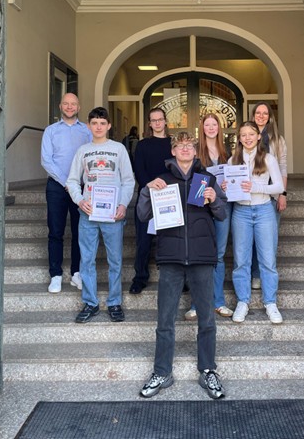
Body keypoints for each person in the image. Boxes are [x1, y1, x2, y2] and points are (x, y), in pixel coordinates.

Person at [137, 132, 227, 399]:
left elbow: (222, 214)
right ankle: (162, 372)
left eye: (189, 145)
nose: (185, 149)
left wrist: (215, 199)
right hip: (171, 257)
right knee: (165, 320)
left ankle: (208, 370)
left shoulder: (207, 180)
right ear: (173, 151)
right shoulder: (161, 180)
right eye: (180, 146)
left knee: (207, 319)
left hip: (202, 257)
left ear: (195, 151)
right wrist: (146, 191)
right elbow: (142, 215)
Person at [66, 107, 135, 323]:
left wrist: (123, 205)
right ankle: (90, 302)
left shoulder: (118, 149)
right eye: (94, 123)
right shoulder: (83, 151)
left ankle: (114, 302)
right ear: (89, 126)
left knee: (115, 260)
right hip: (88, 213)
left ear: (109, 126)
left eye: (102, 123)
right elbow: (72, 180)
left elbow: (128, 180)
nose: (98, 127)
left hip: (113, 214)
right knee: (87, 260)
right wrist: (80, 200)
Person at [224, 121, 284, 324]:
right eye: (243, 135)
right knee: (241, 260)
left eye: (251, 134)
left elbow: (278, 187)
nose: (248, 138)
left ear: (259, 136)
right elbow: (229, 189)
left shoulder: (268, 158)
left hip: (264, 210)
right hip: (241, 212)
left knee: (267, 259)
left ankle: (270, 303)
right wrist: (225, 187)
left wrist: (256, 187)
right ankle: (243, 301)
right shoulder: (233, 160)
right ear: (239, 139)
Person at [41, 92, 92, 294]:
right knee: (55, 231)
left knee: (80, 231)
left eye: (73, 104)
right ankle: (55, 275)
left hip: (81, 187)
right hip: (57, 187)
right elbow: (46, 160)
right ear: (60, 106)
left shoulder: (87, 131)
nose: (69, 107)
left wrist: (77, 184)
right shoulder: (51, 131)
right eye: (66, 104)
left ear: (79, 107)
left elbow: (91, 157)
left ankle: (76, 273)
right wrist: (66, 183)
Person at [185, 113, 233, 321]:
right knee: (201, 254)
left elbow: (234, 178)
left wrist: (227, 185)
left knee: (219, 255)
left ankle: (219, 302)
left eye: (214, 124)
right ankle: (197, 304)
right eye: (207, 124)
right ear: (202, 128)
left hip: (222, 205)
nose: (211, 128)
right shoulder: (196, 152)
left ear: (219, 128)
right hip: (201, 208)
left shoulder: (228, 152)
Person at [129, 108, 173, 294]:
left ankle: (177, 279)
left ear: (165, 121)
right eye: (153, 120)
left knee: (171, 240)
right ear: (149, 123)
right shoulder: (143, 145)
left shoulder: (173, 144)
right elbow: (139, 169)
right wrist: (150, 183)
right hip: (147, 197)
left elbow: (178, 168)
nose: (157, 123)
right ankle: (140, 278)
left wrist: (166, 185)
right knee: (143, 241)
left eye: (160, 119)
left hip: (169, 196)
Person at [250, 102, 288, 291]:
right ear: (253, 115)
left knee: (269, 240)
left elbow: (283, 168)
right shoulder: (247, 136)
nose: (261, 116)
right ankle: (255, 275)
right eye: (258, 112)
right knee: (252, 240)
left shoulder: (277, 140)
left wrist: (282, 194)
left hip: (272, 194)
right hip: (250, 196)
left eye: (265, 113)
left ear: (270, 117)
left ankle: (266, 275)